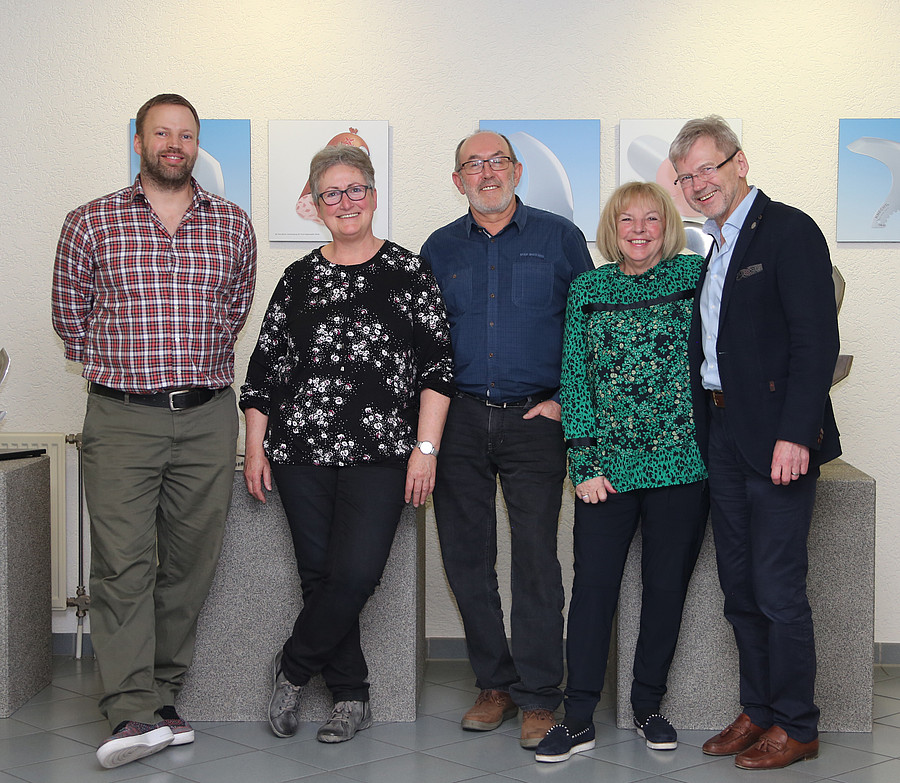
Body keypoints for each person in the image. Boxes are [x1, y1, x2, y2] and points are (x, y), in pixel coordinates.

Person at [51, 94, 257, 769]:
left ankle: (164, 697)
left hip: (206, 415)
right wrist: (127, 368)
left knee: (191, 563)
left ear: (197, 145)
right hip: (121, 417)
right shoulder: (90, 221)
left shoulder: (232, 224)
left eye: (186, 135)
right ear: (139, 141)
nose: (174, 144)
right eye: (161, 133)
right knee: (123, 565)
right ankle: (130, 706)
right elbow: (70, 318)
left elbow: (234, 311)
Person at [241, 144, 454, 744]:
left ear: (374, 197)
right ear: (315, 204)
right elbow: (264, 372)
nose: (345, 202)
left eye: (355, 189)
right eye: (331, 193)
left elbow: (438, 369)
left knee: (356, 574)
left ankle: (292, 666)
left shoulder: (409, 272)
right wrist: (255, 447)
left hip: (382, 453)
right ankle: (351, 696)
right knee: (319, 576)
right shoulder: (298, 278)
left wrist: (426, 449)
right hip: (300, 452)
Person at [668, 116, 841, 770]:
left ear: (739, 163)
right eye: (685, 177)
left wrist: (797, 433)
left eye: (707, 169)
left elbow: (815, 341)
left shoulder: (789, 231)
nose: (697, 184)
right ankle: (759, 709)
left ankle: (797, 724)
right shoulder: (716, 246)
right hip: (724, 434)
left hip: (777, 440)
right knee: (739, 587)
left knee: (776, 588)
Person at [421, 131, 594, 749]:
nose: (487, 172)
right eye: (473, 164)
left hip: (534, 422)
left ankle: (540, 695)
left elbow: (590, 326)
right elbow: (424, 342)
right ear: (458, 180)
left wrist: (566, 401)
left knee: (536, 560)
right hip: (460, 421)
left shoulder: (560, 238)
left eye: (497, 162)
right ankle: (494, 684)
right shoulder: (438, 248)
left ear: (517, 171)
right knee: (466, 558)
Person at [535, 182, 709, 762]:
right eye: (626, 219)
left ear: (668, 226)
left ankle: (648, 706)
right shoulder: (589, 288)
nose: (639, 229)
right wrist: (583, 463)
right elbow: (575, 379)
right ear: (612, 228)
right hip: (604, 472)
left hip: (682, 466)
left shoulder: (694, 277)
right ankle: (578, 717)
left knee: (665, 590)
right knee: (592, 592)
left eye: (651, 219)